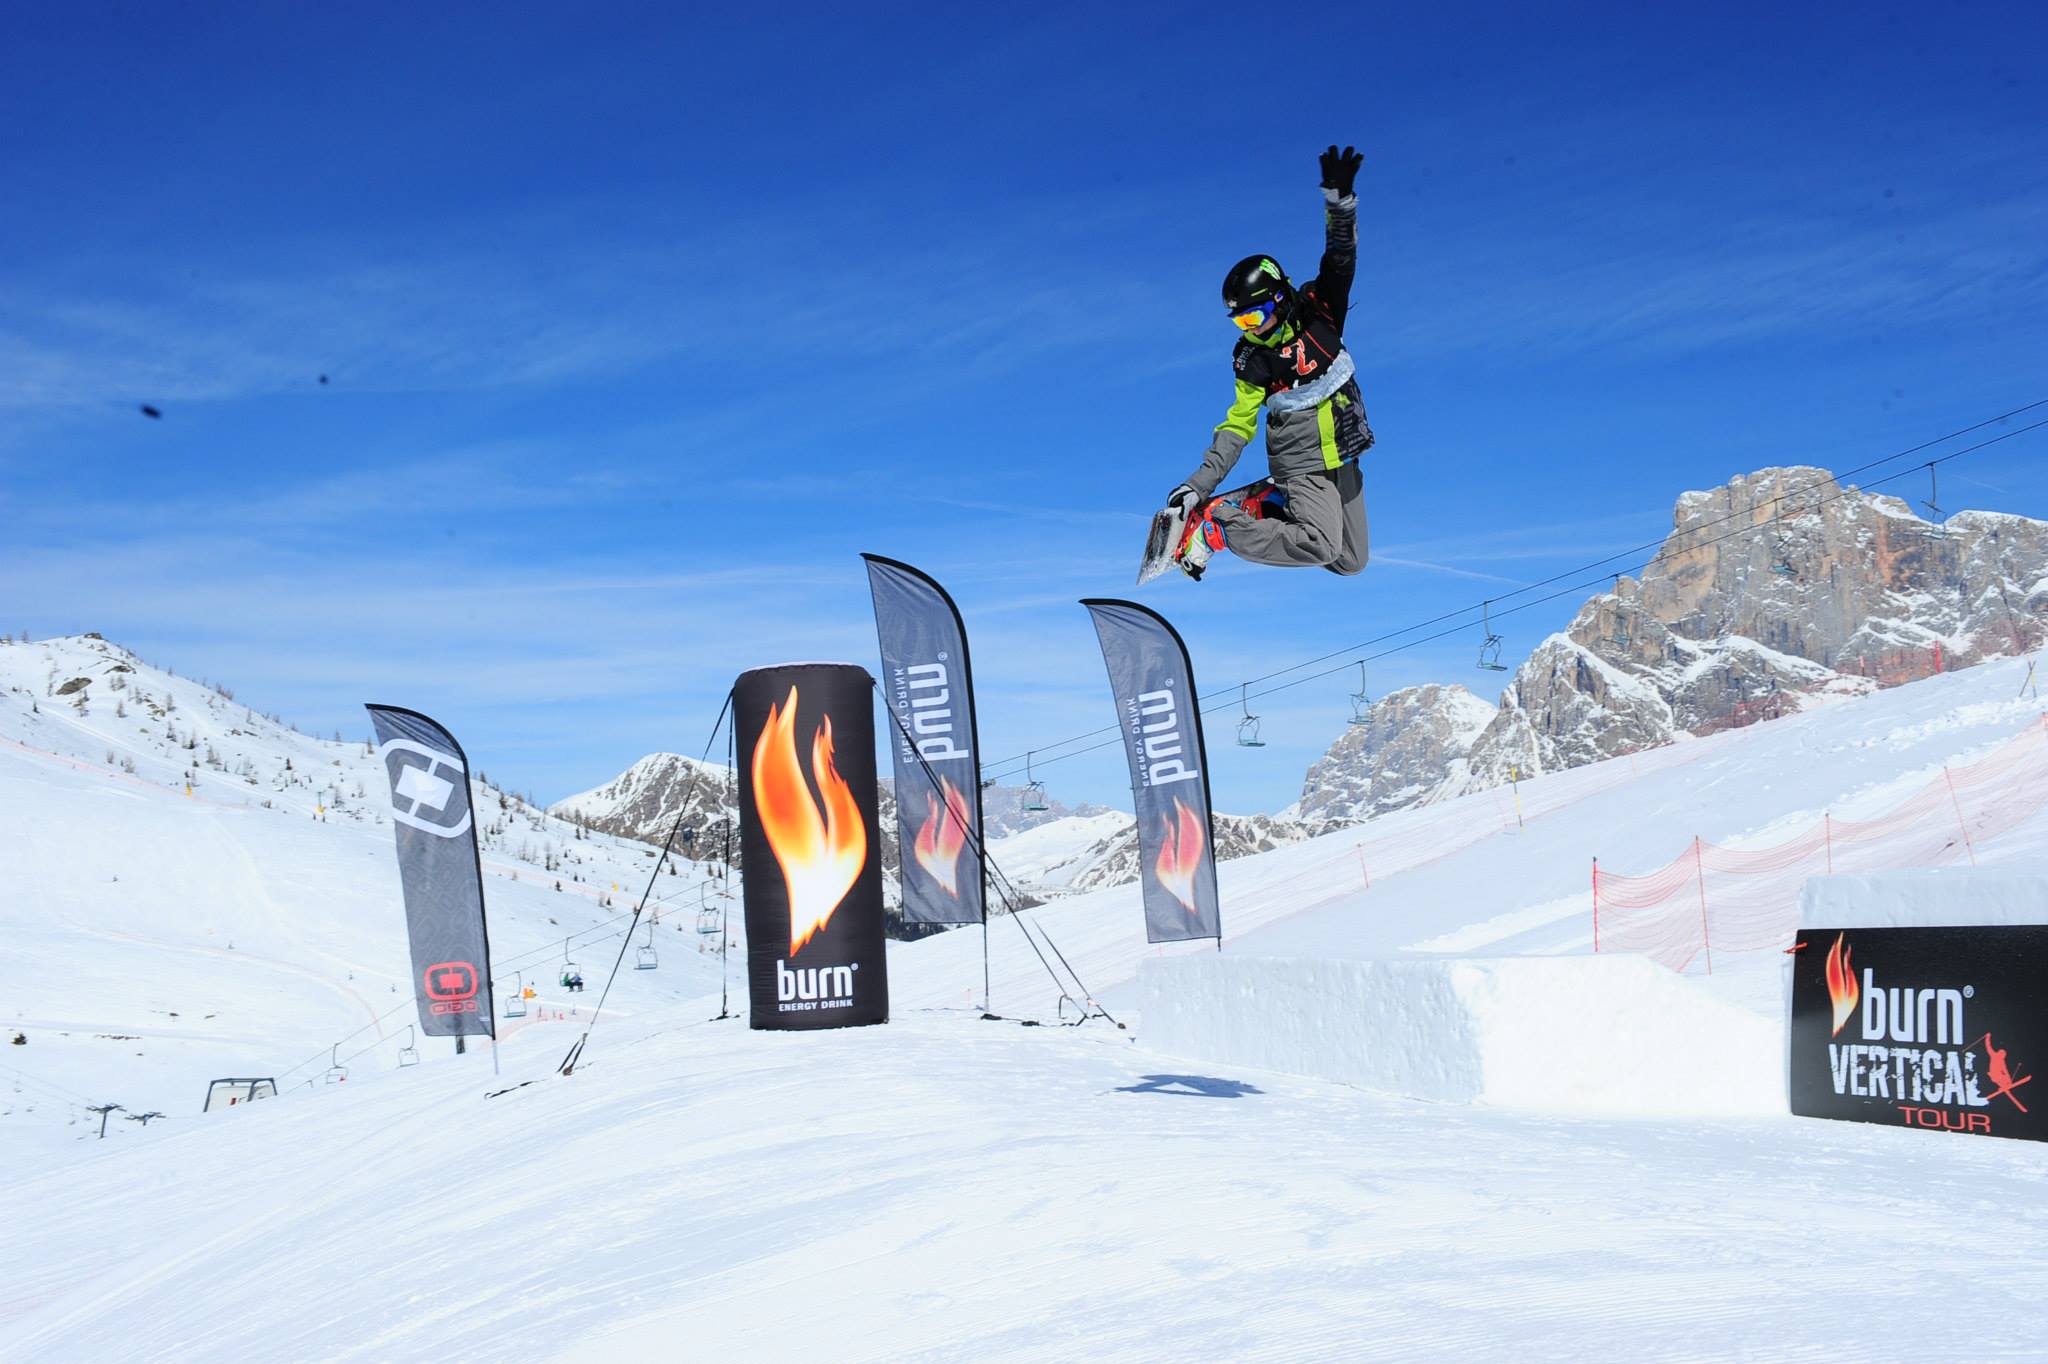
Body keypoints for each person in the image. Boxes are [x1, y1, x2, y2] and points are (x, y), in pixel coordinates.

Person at [1168, 145, 1374, 579]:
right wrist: (1198, 485)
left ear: (1279, 299)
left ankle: (1266, 504)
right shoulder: (1252, 358)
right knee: (1319, 544)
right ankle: (1216, 527)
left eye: (1253, 317)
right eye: (1239, 321)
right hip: (1301, 461)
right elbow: (1238, 424)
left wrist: (1339, 204)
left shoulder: (1320, 310)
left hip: (1343, 449)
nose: (1249, 329)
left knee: (1350, 561)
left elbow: (1340, 259)